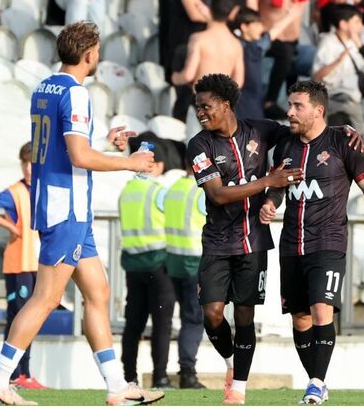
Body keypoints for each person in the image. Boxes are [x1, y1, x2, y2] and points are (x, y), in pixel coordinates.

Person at [0, 21, 163, 406]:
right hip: (68, 207)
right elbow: (78, 156)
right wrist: (129, 162)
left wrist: (105, 145)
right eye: (97, 51)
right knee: (45, 298)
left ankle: (117, 387)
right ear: (90, 54)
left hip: (62, 202)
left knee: (99, 292)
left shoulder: (44, 87)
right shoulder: (77, 94)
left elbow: (66, 149)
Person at [261, 80, 364, 405]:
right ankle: (317, 382)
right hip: (291, 246)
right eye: (289, 105)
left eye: (297, 106)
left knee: (321, 312)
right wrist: (271, 201)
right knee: (300, 319)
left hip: (327, 244)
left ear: (318, 110)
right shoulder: (285, 146)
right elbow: (279, 183)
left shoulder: (344, 143)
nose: (289, 112)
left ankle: (315, 383)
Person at [184, 73, 302, 406]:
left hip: (254, 243)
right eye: (197, 108)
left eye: (206, 107)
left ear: (225, 104)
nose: (200, 113)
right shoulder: (199, 145)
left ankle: (238, 389)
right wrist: (269, 179)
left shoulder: (261, 130)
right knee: (213, 314)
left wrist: (339, 132)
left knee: (245, 316)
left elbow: (300, 133)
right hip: (218, 242)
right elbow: (219, 194)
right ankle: (230, 362)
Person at [0, 143, 46, 390]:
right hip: (19, 263)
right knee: (19, 316)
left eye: (32, 164)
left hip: (36, 262)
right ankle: (17, 373)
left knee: (27, 317)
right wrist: (11, 227)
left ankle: (21, 372)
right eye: (24, 163)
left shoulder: (40, 189)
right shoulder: (15, 192)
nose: (28, 168)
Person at [257, 0, 343, 118]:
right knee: (286, 54)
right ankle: (269, 102)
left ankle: (317, 107)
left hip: (294, 42)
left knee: (314, 56)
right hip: (269, 41)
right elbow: (251, 8)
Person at [118, 138, 173, 389]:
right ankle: (160, 377)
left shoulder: (126, 192)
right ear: (156, 165)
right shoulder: (159, 191)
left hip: (133, 265)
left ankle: (129, 377)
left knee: (133, 325)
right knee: (161, 324)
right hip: (159, 265)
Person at [169, 0, 223, 120]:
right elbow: (194, 13)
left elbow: (210, 12)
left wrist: (208, 14)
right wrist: (211, 17)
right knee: (186, 100)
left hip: (203, 45)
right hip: (186, 45)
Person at [162, 168, 206, 390]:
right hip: (194, 261)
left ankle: (177, 370)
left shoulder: (174, 188)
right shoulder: (202, 191)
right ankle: (187, 372)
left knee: (183, 317)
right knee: (194, 319)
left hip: (173, 261)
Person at [233, 5, 303, 120]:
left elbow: (273, 33)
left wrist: (290, 17)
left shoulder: (257, 47)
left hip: (254, 102)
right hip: (241, 104)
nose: (260, 28)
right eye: (256, 24)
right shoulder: (237, 46)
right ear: (244, 27)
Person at [311, 4, 364, 131]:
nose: (361, 26)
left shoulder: (355, 44)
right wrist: (338, 61)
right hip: (333, 101)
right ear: (343, 24)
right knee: (335, 142)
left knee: (356, 144)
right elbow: (316, 76)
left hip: (353, 102)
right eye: (356, 21)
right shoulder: (328, 42)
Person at [172, 0, 245, 90]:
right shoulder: (236, 44)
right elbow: (238, 81)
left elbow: (188, 75)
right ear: (231, 15)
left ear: (210, 9)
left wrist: (175, 78)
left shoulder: (199, 39)